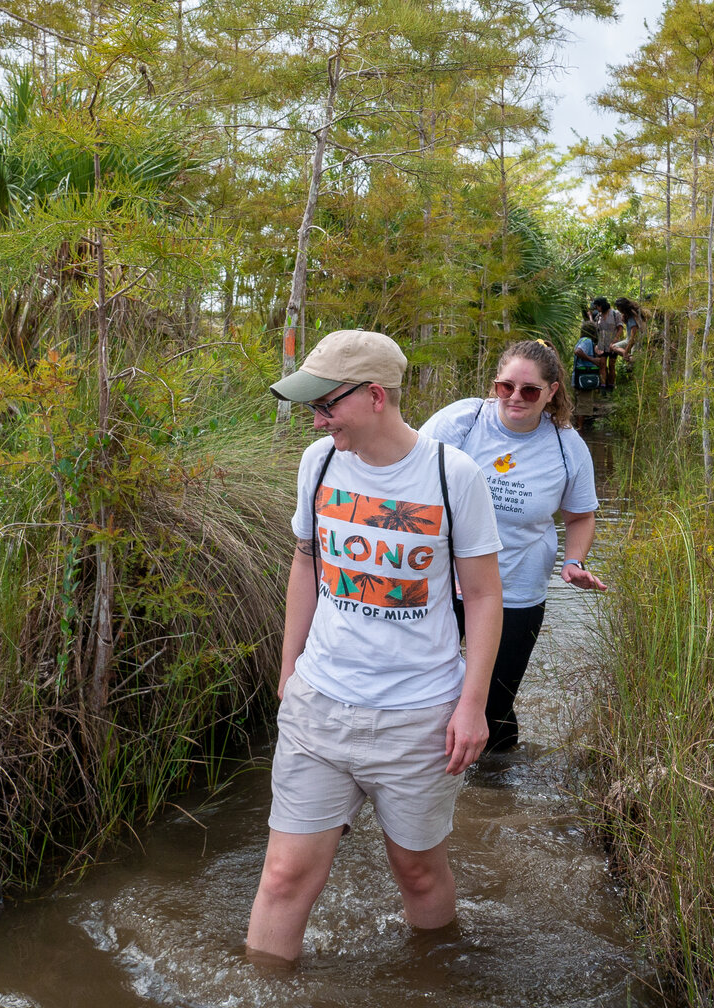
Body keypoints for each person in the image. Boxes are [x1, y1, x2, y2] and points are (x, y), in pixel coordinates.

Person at [247, 329, 504, 963]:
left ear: (375, 397)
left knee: (416, 871)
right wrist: (288, 675)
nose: (316, 417)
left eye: (326, 403)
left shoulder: (453, 475)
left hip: (419, 716)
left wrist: (473, 707)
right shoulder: (320, 462)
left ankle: (439, 979)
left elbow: (485, 596)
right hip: (320, 704)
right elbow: (306, 564)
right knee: (282, 877)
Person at [420, 339, 608, 753]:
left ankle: (494, 795)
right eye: (506, 387)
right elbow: (411, 482)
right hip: (440, 585)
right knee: (426, 696)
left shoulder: (566, 446)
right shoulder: (461, 422)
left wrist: (573, 561)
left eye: (529, 390)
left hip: (516, 591)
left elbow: (580, 517)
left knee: (493, 705)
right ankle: (431, 782)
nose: (515, 398)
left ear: (552, 391)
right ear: (495, 385)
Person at [589, 297, 624, 391]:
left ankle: (611, 386)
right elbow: (595, 328)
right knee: (602, 365)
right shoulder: (598, 316)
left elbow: (620, 328)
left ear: (602, 305)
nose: (597, 308)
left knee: (612, 365)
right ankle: (603, 386)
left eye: (597, 306)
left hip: (613, 344)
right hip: (602, 343)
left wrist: (616, 339)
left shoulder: (615, 313)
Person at [613, 297, 643, 363]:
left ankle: (631, 358)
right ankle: (629, 356)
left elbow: (634, 336)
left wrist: (626, 351)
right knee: (614, 347)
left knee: (634, 360)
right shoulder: (627, 315)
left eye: (618, 307)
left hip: (635, 341)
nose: (617, 309)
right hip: (629, 339)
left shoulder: (631, 317)